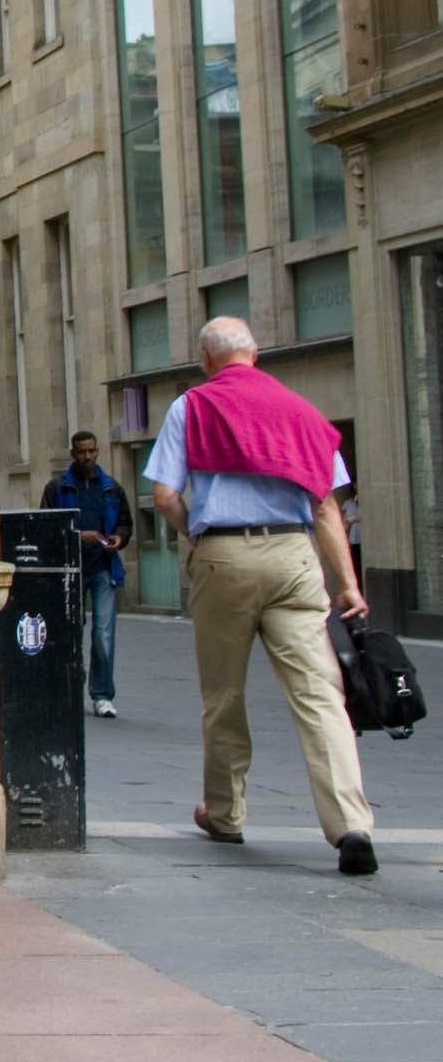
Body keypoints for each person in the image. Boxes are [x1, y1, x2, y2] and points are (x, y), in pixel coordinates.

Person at [144, 316, 376, 876]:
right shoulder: (301, 412)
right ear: (258, 354)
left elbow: (164, 495)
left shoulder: (193, 406)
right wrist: (347, 583)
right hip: (294, 557)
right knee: (319, 695)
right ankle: (350, 825)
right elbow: (325, 506)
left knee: (223, 694)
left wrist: (196, 535)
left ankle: (225, 814)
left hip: (225, 555)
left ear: (206, 359)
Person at [41, 431, 130, 717]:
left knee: (103, 634)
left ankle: (102, 695)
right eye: (81, 452)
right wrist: (81, 537)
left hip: (103, 566)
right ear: (72, 452)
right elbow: (48, 528)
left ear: (98, 451)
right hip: (70, 569)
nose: (87, 457)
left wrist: (119, 538)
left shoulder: (112, 488)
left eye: (91, 451)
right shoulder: (57, 488)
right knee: (69, 633)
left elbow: (126, 524)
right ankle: (67, 690)